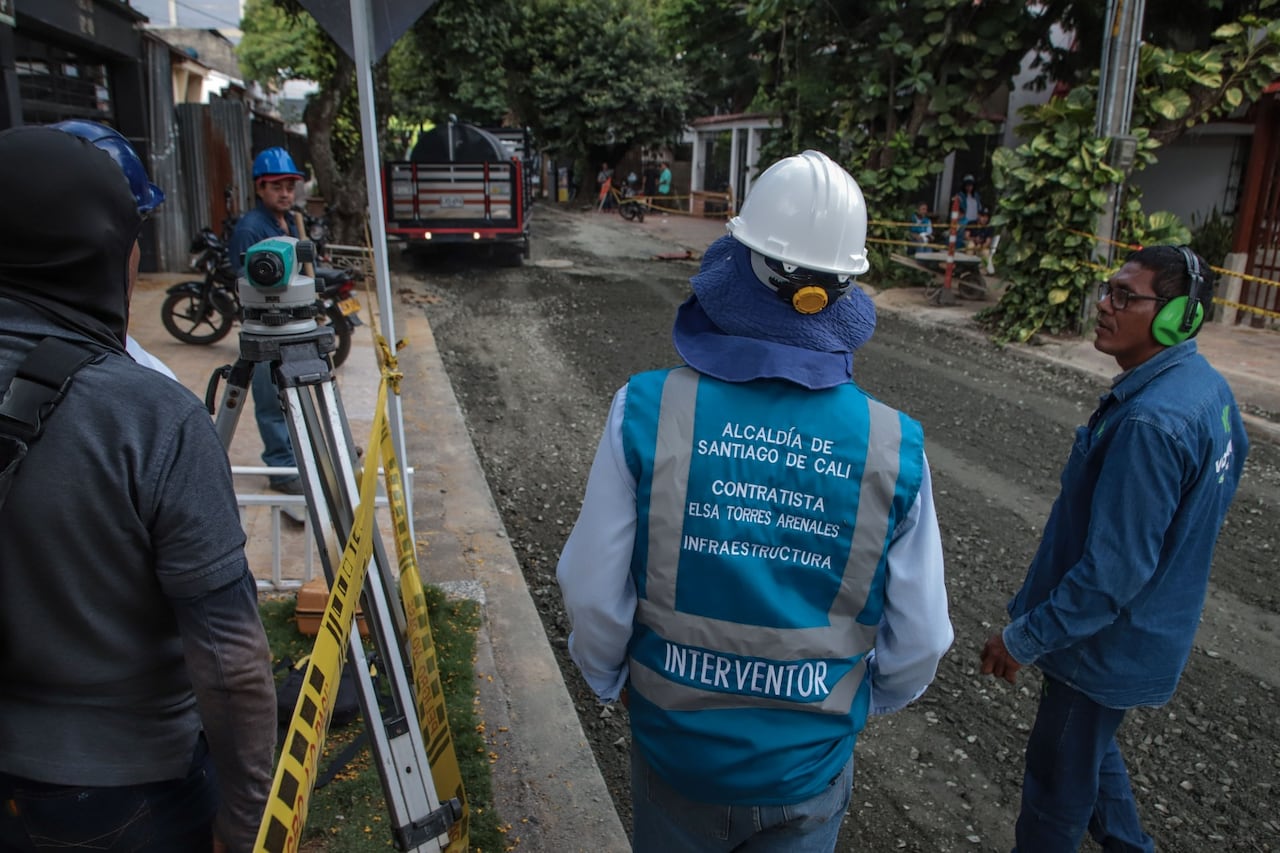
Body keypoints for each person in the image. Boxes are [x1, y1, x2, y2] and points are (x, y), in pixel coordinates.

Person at [557, 149, 953, 852]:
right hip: (807, 772)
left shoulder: (646, 410)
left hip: (677, 760)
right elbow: (921, 638)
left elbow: (592, 591)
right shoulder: (894, 444)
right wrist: (853, 706)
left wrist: (607, 676)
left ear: (740, 270)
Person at [0, 122, 275, 851]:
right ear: (112, 256)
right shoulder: (149, 414)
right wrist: (244, 822)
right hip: (125, 792)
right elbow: (231, 662)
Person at [980, 245, 1249, 853]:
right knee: (1090, 753)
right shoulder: (1207, 389)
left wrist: (1020, 638)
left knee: (1055, 792)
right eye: (1108, 289)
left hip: (1098, 645)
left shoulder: (1150, 424)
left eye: (1126, 296)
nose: (1104, 305)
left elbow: (1110, 575)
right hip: (1140, 627)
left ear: (1179, 316)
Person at [230, 147, 309, 495]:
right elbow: (244, 283)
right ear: (260, 188)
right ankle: (281, 468)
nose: (285, 193)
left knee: (298, 391)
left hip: (292, 322)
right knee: (269, 399)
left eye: (290, 186)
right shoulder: (251, 229)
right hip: (265, 326)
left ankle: (305, 455)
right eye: (276, 186)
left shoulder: (287, 221)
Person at [953, 173, 982, 247]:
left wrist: (979, 218)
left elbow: (979, 208)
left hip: (974, 221)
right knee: (961, 236)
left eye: (971, 185)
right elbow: (957, 208)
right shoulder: (960, 195)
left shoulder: (976, 196)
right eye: (967, 185)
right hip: (964, 221)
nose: (969, 187)